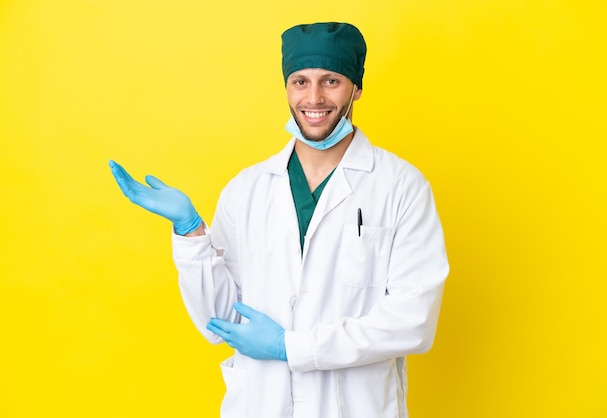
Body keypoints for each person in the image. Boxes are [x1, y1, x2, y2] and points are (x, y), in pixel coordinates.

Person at [109, 22, 449, 418]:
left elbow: (412, 320)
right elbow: (222, 321)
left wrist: (292, 347)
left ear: (356, 88)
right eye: (300, 82)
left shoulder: (401, 186)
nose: (314, 97)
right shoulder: (247, 189)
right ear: (287, 88)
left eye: (331, 81)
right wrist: (191, 233)